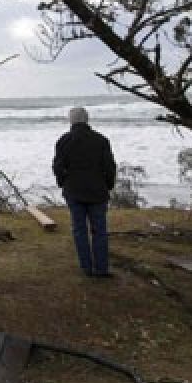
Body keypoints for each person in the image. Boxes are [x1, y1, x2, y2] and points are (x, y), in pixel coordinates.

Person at [52, 106, 117, 277]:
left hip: (74, 191)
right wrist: (108, 185)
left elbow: (58, 167)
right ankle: (101, 269)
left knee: (79, 230)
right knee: (100, 231)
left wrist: (63, 183)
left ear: (71, 121)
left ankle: (86, 268)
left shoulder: (64, 141)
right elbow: (110, 167)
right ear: (87, 120)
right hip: (97, 191)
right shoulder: (101, 140)